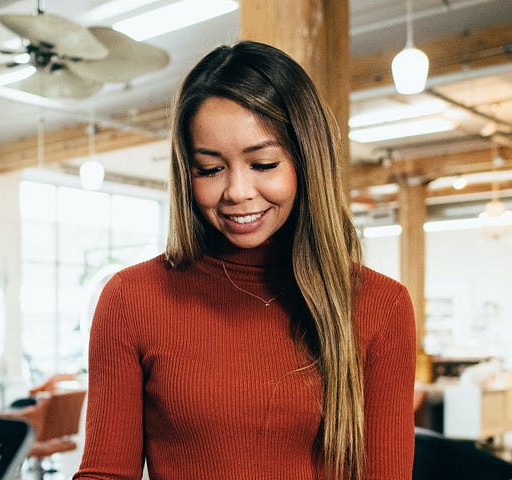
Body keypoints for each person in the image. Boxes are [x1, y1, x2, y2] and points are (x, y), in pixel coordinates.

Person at [76, 41, 418, 480]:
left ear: (305, 161)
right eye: (210, 169)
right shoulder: (132, 299)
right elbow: (105, 473)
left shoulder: (380, 306)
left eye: (263, 163)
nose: (237, 191)